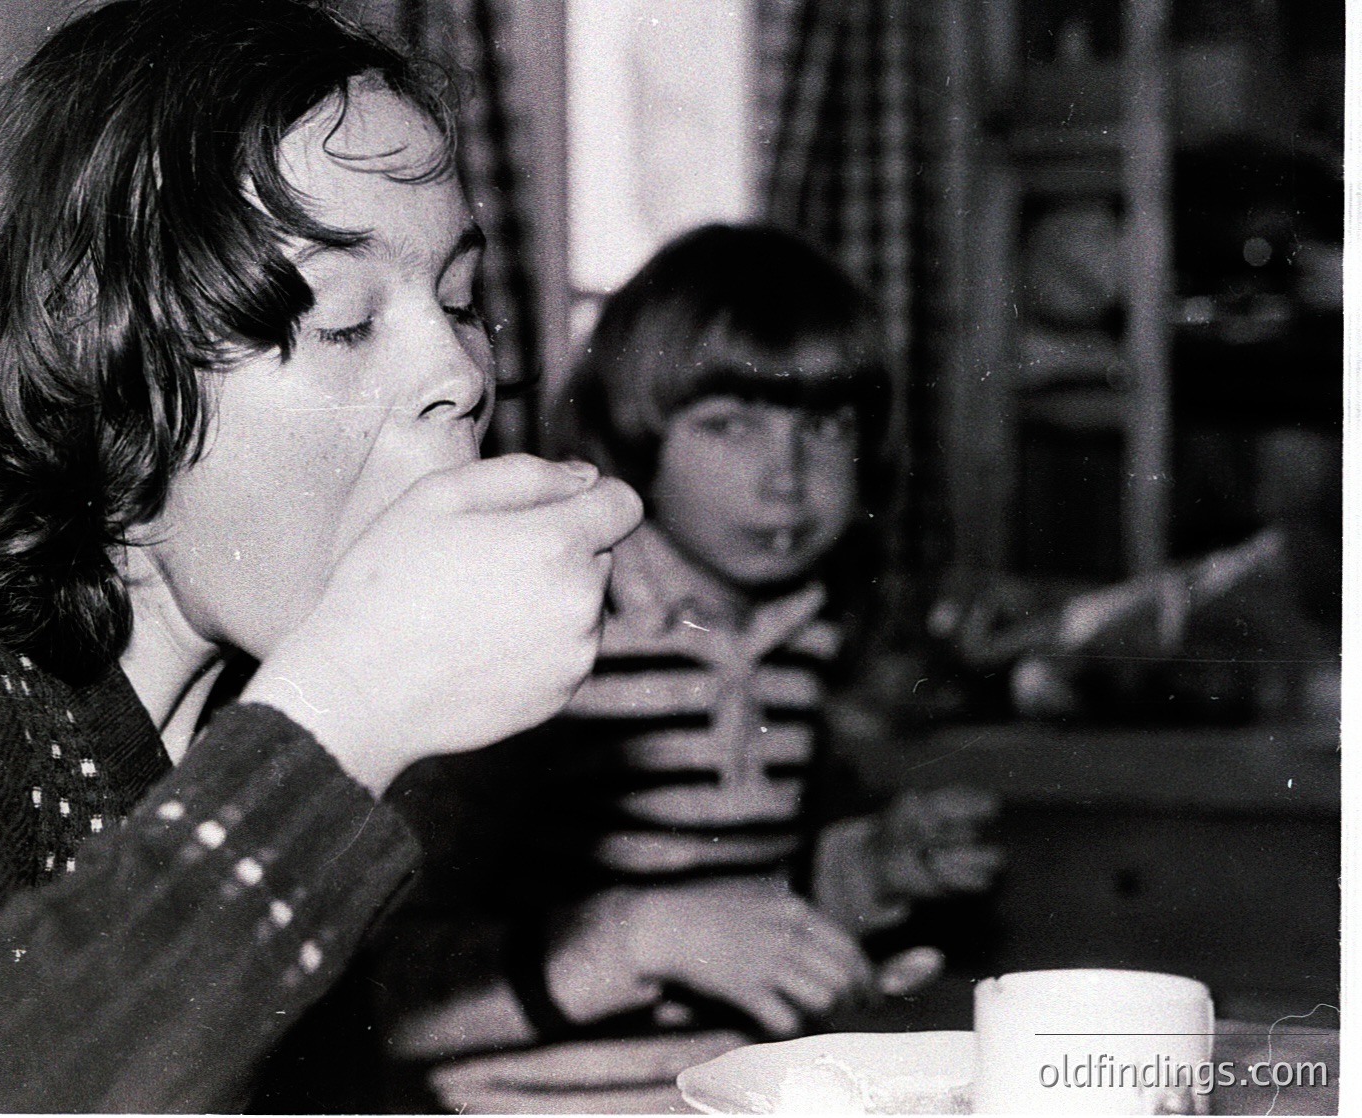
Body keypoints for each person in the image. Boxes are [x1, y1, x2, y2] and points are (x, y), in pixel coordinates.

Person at [0, 2, 641, 1111]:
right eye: (343, 320)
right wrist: (343, 724)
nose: (462, 371)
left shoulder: (220, 730)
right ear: (102, 370)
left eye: (460, 300)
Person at [375, 225, 1000, 1097]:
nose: (785, 476)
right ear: (632, 439)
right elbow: (382, 984)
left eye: (823, 426)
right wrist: (635, 938)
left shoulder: (795, 640)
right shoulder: (545, 640)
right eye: (729, 424)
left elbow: (734, 902)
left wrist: (872, 866)